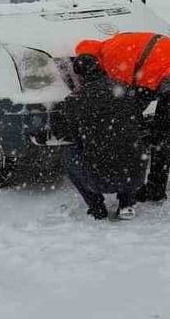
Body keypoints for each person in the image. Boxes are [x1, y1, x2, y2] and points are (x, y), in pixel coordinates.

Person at [74, 32, 170, 203]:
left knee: (162, 136)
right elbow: (140, 86)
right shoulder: (115, 43)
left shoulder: (112, 60)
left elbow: (128, 101)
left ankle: (155, 189)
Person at [53, 54, 154, 220]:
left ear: (79, 76)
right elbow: (138, 124)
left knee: (68, 154)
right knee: (126, 145)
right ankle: (126, 203)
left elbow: (72, 137)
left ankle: (96, 207)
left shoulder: (74, 100)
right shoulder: (125, 89)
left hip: (99, 178)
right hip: (135, 176)